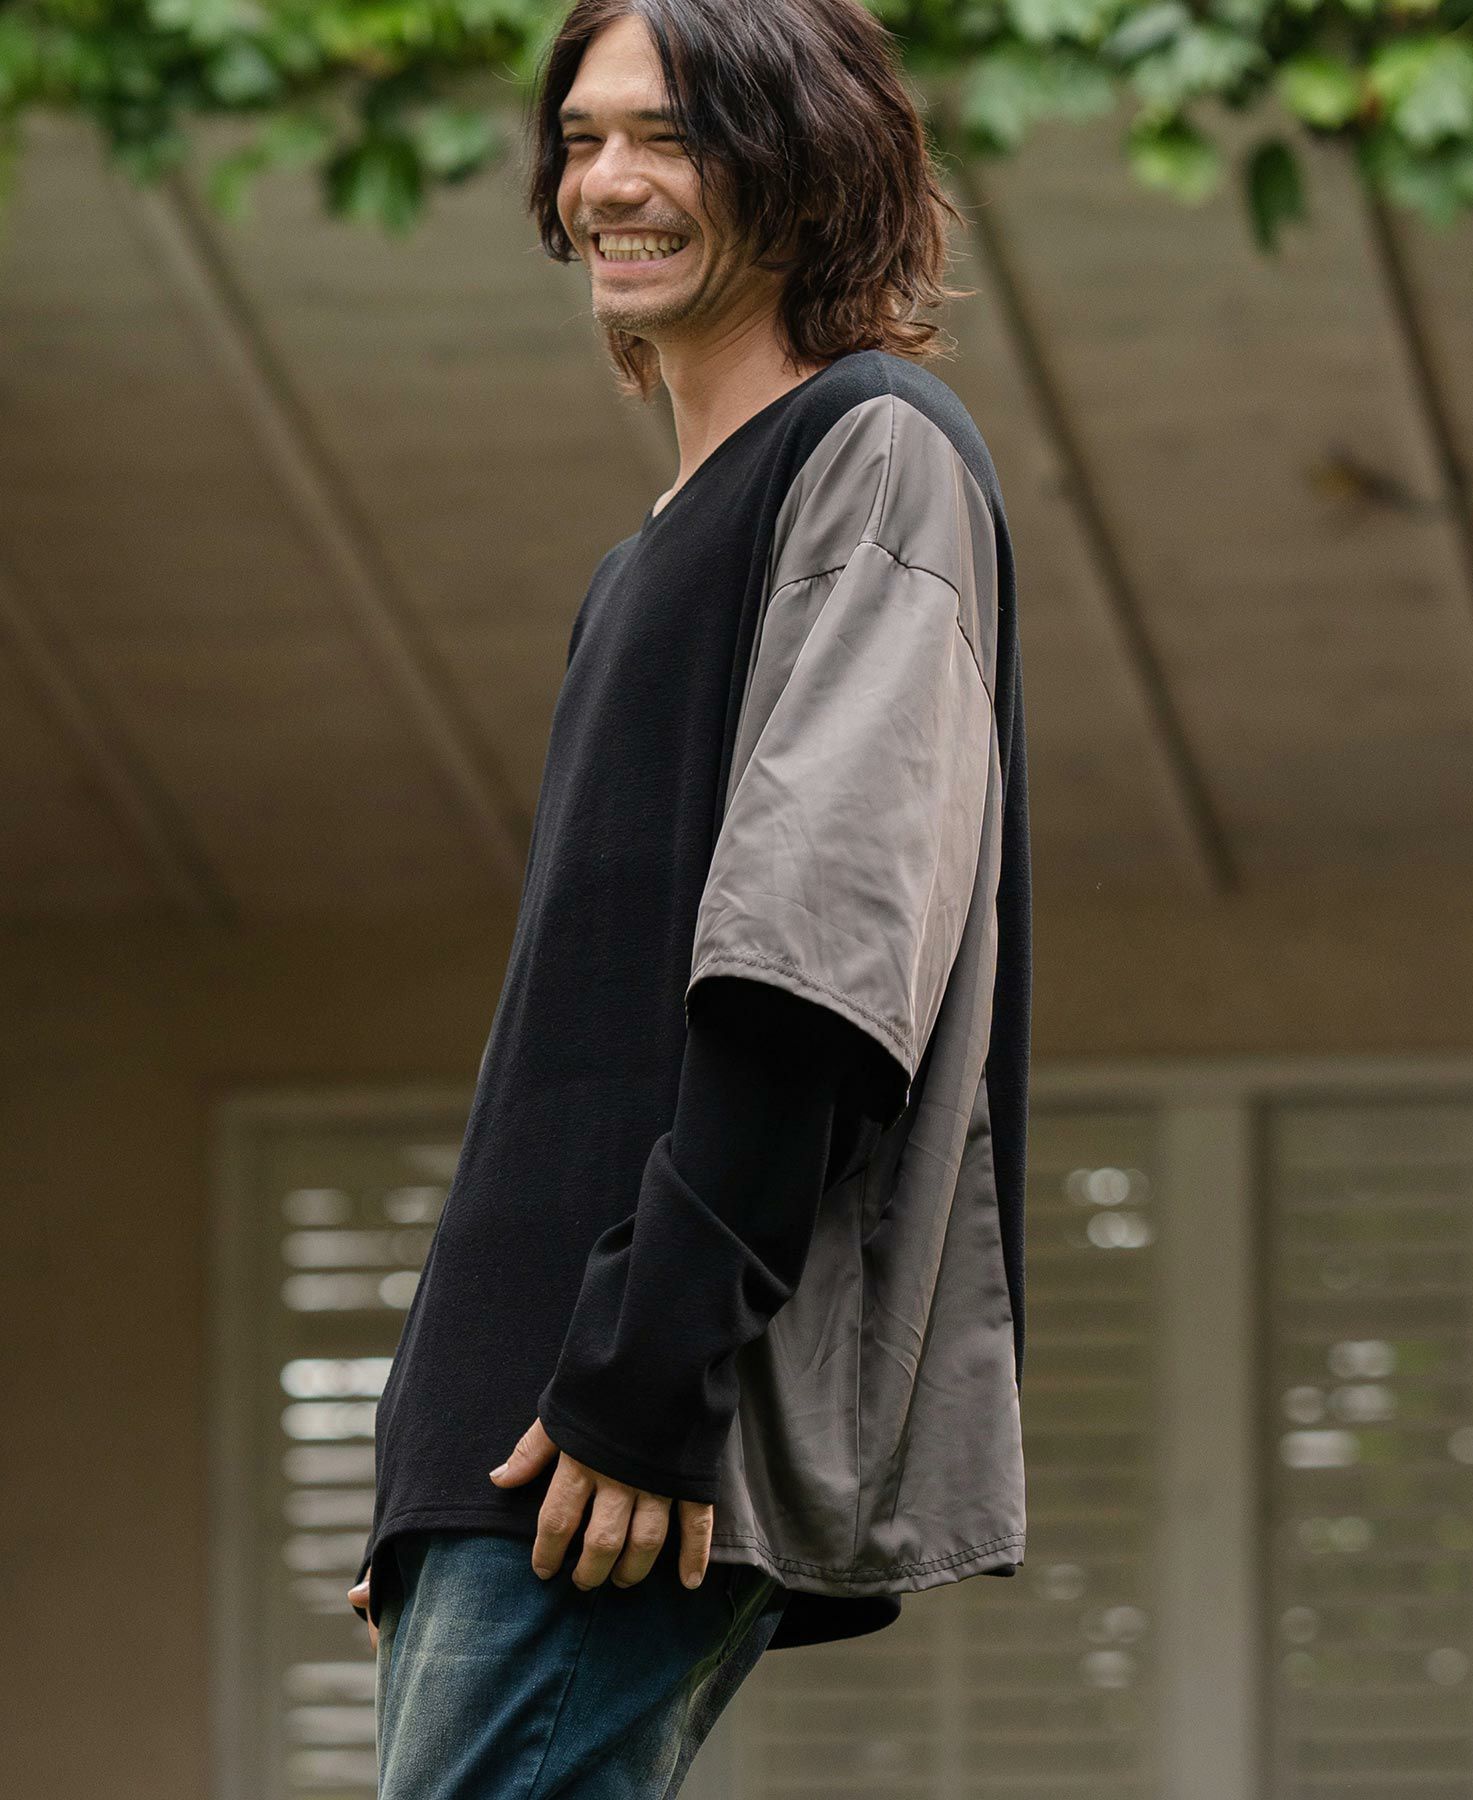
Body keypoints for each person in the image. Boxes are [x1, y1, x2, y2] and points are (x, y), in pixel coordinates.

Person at [345, 0, 1032, 1793]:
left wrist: (645, 1374)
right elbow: (560, 1065)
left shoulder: (874, 451)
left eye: (672, 135)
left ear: (806, 164)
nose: (610, 183)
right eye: (583, 140)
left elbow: (817, 966)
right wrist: (428, 1454)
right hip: (516, 1436)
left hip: (624, 1422)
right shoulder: (637, 566)